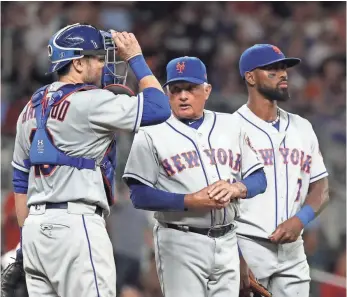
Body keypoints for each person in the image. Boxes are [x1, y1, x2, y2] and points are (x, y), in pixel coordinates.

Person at [10, 23, 171, 297]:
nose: (102, 64)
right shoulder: (90, 101)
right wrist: (135, 58)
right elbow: (159, 108)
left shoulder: (30, 107)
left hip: (36, 233)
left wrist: (26, 241)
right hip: (76, 226)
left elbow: (19, 180)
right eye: (96, 58)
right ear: (77, 63)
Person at [122, 56, 267, 297]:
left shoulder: (231, 124)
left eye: (191, 88)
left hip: (228, 239)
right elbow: (139, 195)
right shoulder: (151, 133)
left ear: (207, 90)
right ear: (167, 93)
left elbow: (259, 178)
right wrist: (190, 200)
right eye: (176, 90)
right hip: (180, 239)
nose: (183, 96)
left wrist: (237, 188)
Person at [234, 44, 330, 297]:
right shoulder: (229, 128)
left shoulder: (302, 127)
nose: (283, 74)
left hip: (292, 251)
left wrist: (301, 219)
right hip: (247, 244)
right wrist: (236, 257)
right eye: (272, 70)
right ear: (250, 77)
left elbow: (321, 188)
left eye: (284, 68)